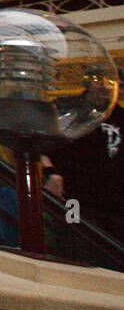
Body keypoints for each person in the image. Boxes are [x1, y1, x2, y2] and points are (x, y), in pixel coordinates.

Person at [42, 72, 123, 242]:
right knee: (75, 240)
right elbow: (39, 144)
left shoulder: (119, 115)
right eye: (99, 82)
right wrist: (50, 172)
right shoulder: (66, 109)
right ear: (88, 82)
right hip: (74, 195)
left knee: (111, 252)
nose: (104, 87)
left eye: (111, 83)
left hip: (113, 202)